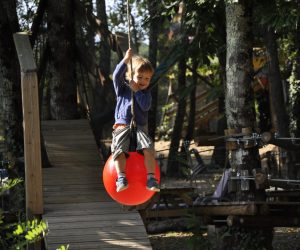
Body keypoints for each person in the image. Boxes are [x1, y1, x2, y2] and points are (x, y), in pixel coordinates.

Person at [111, 48, 160, 193]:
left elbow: (145, 106)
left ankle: (151, 178)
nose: (143, 81)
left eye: (147, 78)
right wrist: (126, 60)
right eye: (140, 77)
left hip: (140, 126)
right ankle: (121, 177)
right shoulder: (122, 89)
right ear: (131, 75)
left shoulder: (146, 94)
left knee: (148, 149)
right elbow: (115, 76)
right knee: (119, 149)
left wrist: (138, 91)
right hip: (122, 124)